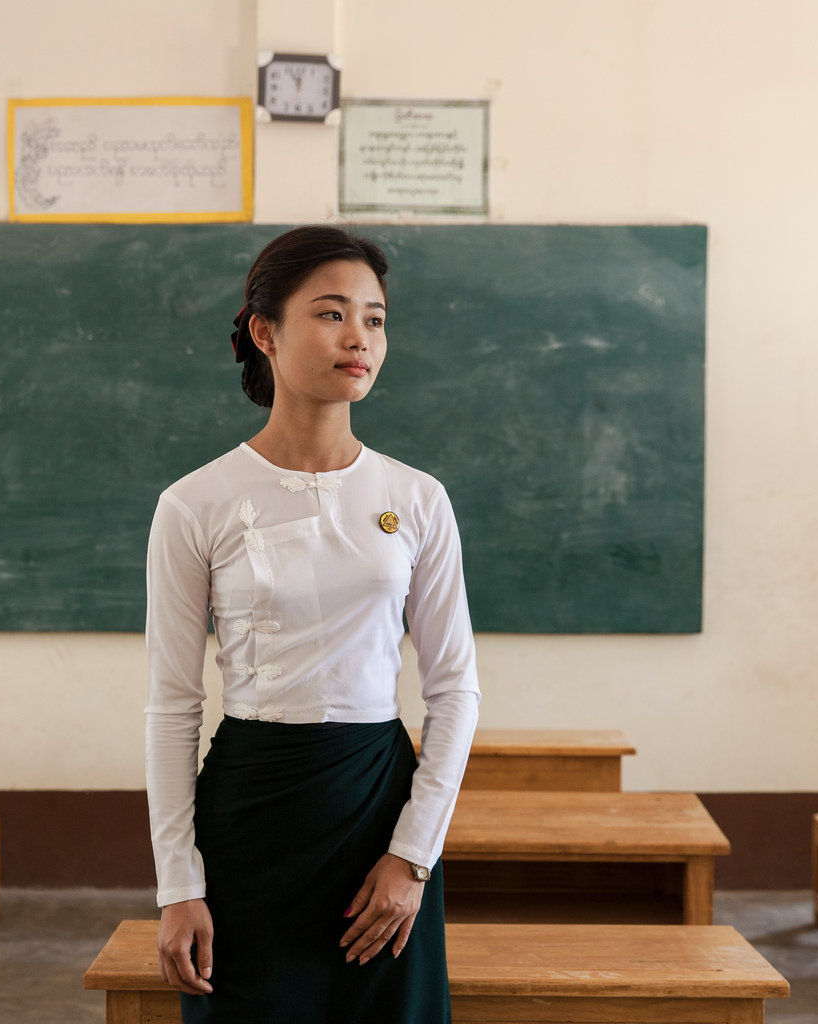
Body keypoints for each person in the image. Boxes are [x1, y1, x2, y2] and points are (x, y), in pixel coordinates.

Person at [144, 224, 482, 1023]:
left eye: (375, 318)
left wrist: (412, 857)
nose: (359, 337)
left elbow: (456, 691)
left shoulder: (419, 499)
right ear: (265, 331)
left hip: (378, 807)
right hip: (251, 810)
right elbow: (171, 704)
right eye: (332, 314)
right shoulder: (197, 503)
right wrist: (177, 883)